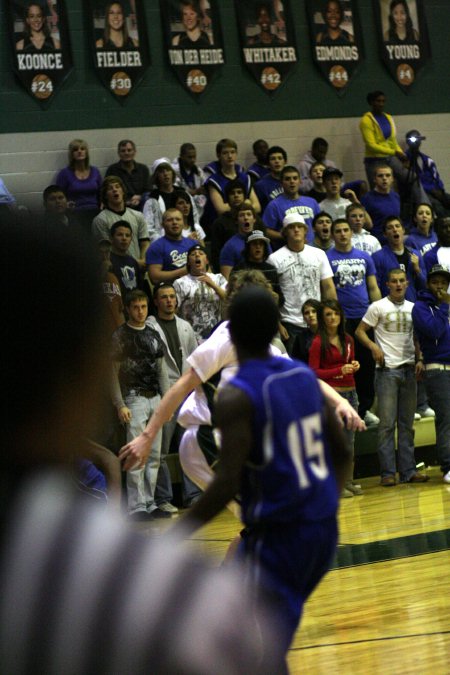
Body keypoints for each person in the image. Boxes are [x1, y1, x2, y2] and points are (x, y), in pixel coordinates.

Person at [0, 221, 281, 674]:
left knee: (254, 528)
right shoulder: (163, 593)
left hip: (240, 445)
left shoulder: (269, 344)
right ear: (93, 369)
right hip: (208, 437)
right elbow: (184, 387)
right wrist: (150, 434)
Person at [170, 285, 352, 665]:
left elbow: (228, 481)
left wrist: (176, 534)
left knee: (254, 649)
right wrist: (326, 505)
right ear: (275, 330)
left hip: (280, 538)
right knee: (254, 637)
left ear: (230, 333)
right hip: (320, 531)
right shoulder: (301, 375)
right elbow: (343, 451)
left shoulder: (235, 395)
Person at [118, 269, 364, 502]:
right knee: (268, 515)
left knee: (263, 521)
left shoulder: (260, 342)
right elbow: (180, 387)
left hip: (233, 441)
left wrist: (341, 403)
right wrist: (147, 437)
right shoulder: (224, 341)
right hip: (205, 442)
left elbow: (302, 376)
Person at [356, 268, 430, 485]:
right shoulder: (377, 306)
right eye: (394, 281)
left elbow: (417, 337)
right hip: (387, 370)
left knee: (407, 424)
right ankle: (388, 473)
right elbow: (359, 331)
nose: (398, 285)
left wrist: (420, 358)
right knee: (387, 424)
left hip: (409, 368)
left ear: (407, 284)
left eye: (401, 281)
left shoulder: (413, 308)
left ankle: (408, 471)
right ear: (387, 284)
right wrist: (373, 347)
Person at [111, 289, 170, 520]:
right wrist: (119, 404)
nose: (140, 311)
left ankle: (150, 501)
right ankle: (136, 506)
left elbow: (162, 369)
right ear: (127, 309)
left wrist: (166, 401)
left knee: (154, 453)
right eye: (135, 307)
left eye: (144, 306)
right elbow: (111, 373)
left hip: (155, 396)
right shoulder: (120, 336)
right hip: (133, 398)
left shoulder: (154, 333)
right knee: (136, 453)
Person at [147, 282, 201, 510]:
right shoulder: (149, 326)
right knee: (159, 449)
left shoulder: (185, 326)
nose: (169, 300)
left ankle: (193, 495)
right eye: (164, 297)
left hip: (186, 393)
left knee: (189, 447)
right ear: (156, 301)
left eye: (172, 297)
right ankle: (163, 498)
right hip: (164, 393)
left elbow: (194, 358)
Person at [327, 218, 382, 426]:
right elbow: (327, 289)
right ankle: (343, 408)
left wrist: (378, 314)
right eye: (338, 231)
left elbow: (373, 287)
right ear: (333, 235)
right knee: (343, 364)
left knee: (366, 364)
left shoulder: (364, 257)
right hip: (341, 318)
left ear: (351, 233)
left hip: (364, 316)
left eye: (345, 230)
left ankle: (364, 408)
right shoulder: (327, 257)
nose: (342, 234)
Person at [309, 299, 362, 497]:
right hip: (332, 395)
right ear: (323, 319)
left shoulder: (348, 339)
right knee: (334, 441)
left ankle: (347, 480)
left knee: (349, 440)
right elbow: (313, 372)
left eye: (336, 313)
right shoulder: (317, 342)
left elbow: (350, 362)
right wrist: (339, 370)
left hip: (351, 392)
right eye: (328, 314)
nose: (333, 318)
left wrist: (354, 366)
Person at [267, 213, 337, 356]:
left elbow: (328, 286)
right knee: (295, 366)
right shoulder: (274, 259)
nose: (296, 230)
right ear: (285, 232)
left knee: (321, 363)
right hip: (290, 322)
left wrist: (333, 314)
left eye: (300, 227)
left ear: (306, 231)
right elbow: (270, 295)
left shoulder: (319, 254)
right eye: (292, 227)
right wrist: (277, 324)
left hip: (317, 320)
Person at [412, 264, 450, 485]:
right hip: (437, 370)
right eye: (436, 282)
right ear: (428, 284)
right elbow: (434, 330)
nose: (440, 286)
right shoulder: (420, 307)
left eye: (444, 283)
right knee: (446, 419)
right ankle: (447, 467)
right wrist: (445, 307)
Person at [359, 91, 430, 207]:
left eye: (383, 101)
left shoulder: (388, 118)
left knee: (412, 177)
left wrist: (402, 156)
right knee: (383, 188)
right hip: (374, 160)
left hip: (390, 158)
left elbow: (393, 141)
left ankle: (425, 208)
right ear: (371, 103)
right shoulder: (366, 121)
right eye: (378, 101)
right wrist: (394, 152)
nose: (381, 104)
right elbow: (372, 145)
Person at [174, 243, 227, 343]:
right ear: (189, 262)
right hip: (190, 336)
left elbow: (230, 299)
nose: (197, 255)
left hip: (217, 334)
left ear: (206, 260)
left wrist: (213, 285)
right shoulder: (180, 283)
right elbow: (174, 310)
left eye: (201, 253)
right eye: (193, 254)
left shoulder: (218, 278)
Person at [92, 176, 150, 268]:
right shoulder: (100, 220)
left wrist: (142, 260)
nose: (115, 190)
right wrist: (132, 264)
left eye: (117, 187)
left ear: (123, 192)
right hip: (116, 269)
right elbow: (105, 252)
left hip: (139, 267)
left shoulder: (138, 215)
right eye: (110, 188)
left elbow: (145, 243)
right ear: (105, 195)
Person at [263, 165, 321, 247]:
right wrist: (286, 236)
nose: (292, 181)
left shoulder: (312, 202)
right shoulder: (274, 205)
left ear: (300, 181)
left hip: (313, 249)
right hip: (288, 250)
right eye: (287, 179)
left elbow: (320, 224)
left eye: (295, 178)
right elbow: (266, 230)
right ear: (281, 183)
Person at [372, 215, 426, 302]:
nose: (395, 229)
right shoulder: (377, 257)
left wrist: (417, 270)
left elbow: (424, 286)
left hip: (411, 305)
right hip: (389, 307)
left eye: (397, 226)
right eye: (390, 228)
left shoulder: (416, 254)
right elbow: (375, 287)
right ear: (385, 234)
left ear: (403, 230)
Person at [143, 158, 195, 243]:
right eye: (161, 172)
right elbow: (148, 228)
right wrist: (164, 241)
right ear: (156, 176)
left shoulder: (184, 194)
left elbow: (193, 218)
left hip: (188, 238)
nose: (165, 174)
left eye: (168, 170)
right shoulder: (152, 200)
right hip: (163, 242)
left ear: (172, 173)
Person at [55, 139, 102, 231]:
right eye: (76, 149)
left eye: (82, 149)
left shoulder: (95, 171)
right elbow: (58, 195)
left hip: (96, 212)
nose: (79, 151)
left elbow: (102, 192)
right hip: (75, 213)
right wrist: (66, 204)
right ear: (71, 154)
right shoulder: (65, 173)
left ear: (86, 152)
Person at [404, 130, 450, 218]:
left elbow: (436, 176)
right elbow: (413, 181)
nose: (416, 142)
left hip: (436, 190)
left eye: (418, 139)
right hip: (424, 192)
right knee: (438, 207)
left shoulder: (426, 159)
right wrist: (431, 190)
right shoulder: (405, 160)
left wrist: (440, 189)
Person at [146, 207, 193, 285]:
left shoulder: (193, 244)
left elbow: (206, 269)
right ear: (163, 224)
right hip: (170, 292)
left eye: (178, 219)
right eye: (169, 220)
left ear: (183, 223)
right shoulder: (156, 247)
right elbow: (154, 278)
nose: (174, 222)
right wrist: (183, 271)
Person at [105, 139, 151, 210]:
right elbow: (107, 190)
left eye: (129, 150)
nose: (126, 153)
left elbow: (149, 189)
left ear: (134, 152)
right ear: (119, 153)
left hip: (141, 203)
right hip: (121, 204)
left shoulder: (143, 169)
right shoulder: (112, 170)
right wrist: (126, 200)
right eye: (123, 151)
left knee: (148, 198)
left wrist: (140, 197)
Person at [360, 163, 401, 241]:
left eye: (388, 175)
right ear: (374, 179)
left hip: (394, 239)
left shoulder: (396, 196)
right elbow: (364, 225)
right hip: (376, 241)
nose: (384, 178)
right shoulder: (367, 198)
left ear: (392, 179)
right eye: (380, 176)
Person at [220, 203, 259, 279]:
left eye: (249, 214)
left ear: (254, 219)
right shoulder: (229, 246)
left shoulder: (262, 242)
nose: (246, 218)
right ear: (236, 221)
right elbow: (226, 279)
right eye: (242, 215)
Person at [108, 220, 143, 299]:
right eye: (120, 235)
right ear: (111, 238)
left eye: (127, 235)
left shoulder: (133, 262)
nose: (124, 238)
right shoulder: (108, 261)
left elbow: (139, 288)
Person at [254, 145, 287, 213]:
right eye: (273, 159)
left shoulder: (291, 181)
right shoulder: (260, 185)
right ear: (268, 163)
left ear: (285, 161)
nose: (277, 161)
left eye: (280, 158)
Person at [296, 298, 321, 363]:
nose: (311, 315)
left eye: (314, 311)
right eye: (307, 313)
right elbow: (297, 361)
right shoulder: (300, 337)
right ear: (304, 318)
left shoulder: (330, 333)